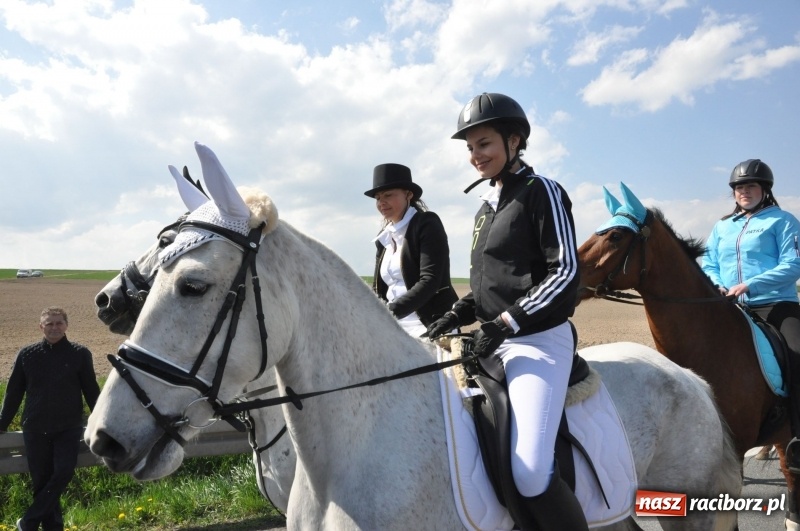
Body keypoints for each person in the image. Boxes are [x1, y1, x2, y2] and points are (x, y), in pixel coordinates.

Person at [426, 92, 586, 530]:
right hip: (493, 340)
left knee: (531, 473)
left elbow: (566, 271)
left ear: (514, 141)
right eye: (470, 148)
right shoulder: (484, 209)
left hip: (537, 342)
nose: (476, 156)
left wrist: (506, 322)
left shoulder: (543, 191)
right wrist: (458, 314)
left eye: (485, 144)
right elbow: (489, 284)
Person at [701, 158, 800, 468]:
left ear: (765, 190)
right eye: (739, 187)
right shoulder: (721, 226)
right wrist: (717, 284)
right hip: (729, 306)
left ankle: (796, 434)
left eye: (751, 186)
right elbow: (708, 262)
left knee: (797, 353)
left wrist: (750, 285)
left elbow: (793, 265)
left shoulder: (783, 221)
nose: (744, 191)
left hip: (775, 304)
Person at [0, 307, 101, 531]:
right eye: (49, 323)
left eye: (58, 323)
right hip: (35, 428)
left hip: (68, 427)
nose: (54, 328)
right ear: (41, 326)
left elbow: (91, 390)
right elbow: (14, 392)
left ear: (66, 325)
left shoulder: (80, 353)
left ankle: (28, 522)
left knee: (64, 471)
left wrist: (102, 420)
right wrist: (2, 422)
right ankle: (52, 527)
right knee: (41, 481)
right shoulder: (27, 354)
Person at [365, 163, 459, 337]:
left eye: (388, 195)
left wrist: (388, 312)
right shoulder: (384, 237)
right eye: (378, 198)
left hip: (428, 323)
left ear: (409, 194)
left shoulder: (427, 223)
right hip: (393, 324)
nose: (381, 202)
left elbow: (430, 280)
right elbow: (379, 288)